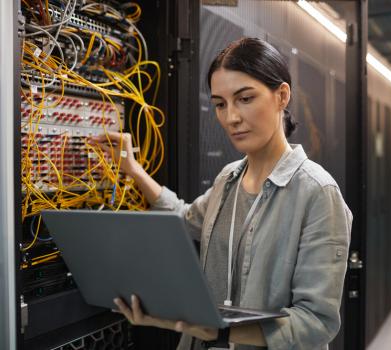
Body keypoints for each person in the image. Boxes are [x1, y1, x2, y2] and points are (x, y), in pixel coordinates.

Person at [89, 37, 352, 350]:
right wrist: (134, 171)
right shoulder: (228, 178)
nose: (231, 118)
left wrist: (220, 331)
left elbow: (316, 323)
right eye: (220, 104)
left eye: (245, 98)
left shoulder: (318, 193)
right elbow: (185, 218)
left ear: (282, 96)